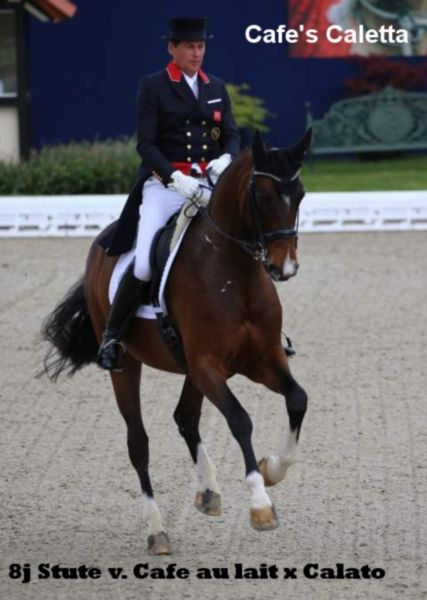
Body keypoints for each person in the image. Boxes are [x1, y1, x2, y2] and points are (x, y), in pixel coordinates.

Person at [97, 17, 240, 371]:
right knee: (145, 262)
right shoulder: (154, 87)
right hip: (165, 186)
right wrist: (175, 177)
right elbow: (146, 144)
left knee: (242, 244)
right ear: (171, 48)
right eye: (189, 47)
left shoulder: (216, 86)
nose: (196, 53)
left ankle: (261, 328)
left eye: (201, 46)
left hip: (207, 183)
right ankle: (112, 336)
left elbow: (231, 135)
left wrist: (226, 158)